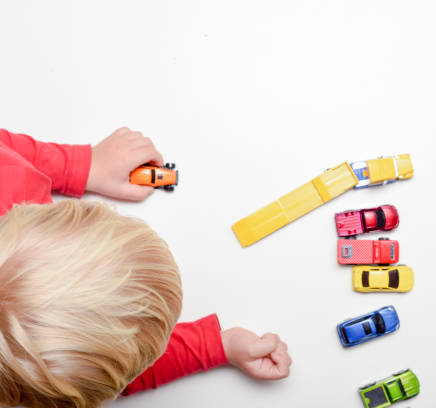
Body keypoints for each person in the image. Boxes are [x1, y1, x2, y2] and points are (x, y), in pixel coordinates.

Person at [0, 128, 291, 408]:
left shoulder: (13, 179)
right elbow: (107, 373)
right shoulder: (16, 184)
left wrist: (81, 165)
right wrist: (213, 345)